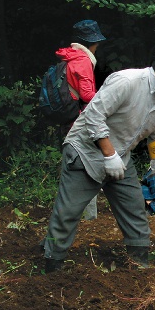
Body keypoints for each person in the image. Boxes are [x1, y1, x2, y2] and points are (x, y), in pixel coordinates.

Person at [42, 43, 155, 272]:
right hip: (85, 152)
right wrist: (109, 154)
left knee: (134, 207)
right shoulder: (127, 82)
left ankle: (139, 261)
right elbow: (93, 115)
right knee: (68, 212)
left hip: (120, 156)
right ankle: (53, 264)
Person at [56, 19, 107, 220]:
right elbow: (86, 95)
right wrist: (106, 100)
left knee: (72, 166)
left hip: (68, 118)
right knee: (88, 166)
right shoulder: (83, 60)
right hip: (79, 120)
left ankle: (68, 212)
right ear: (92, 42)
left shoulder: (68, 57)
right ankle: (89, 218)